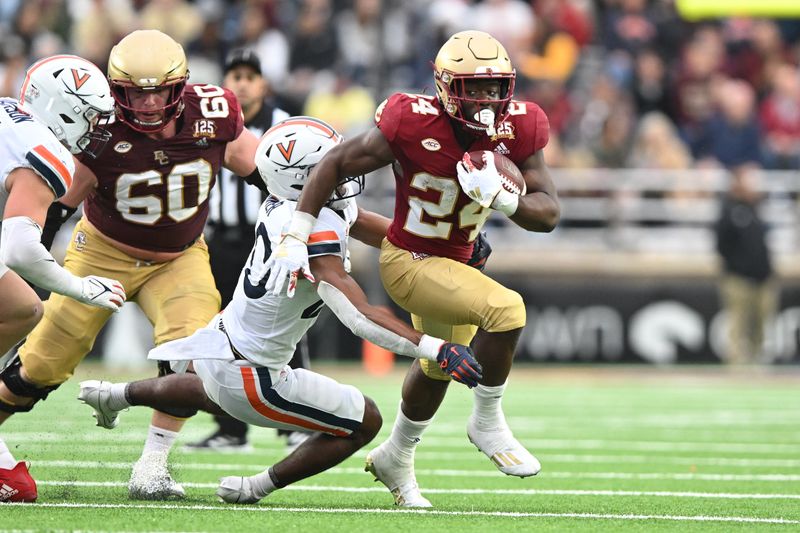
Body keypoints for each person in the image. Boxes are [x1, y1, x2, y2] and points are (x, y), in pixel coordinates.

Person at [77, 116, 482, 505]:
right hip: (255, 374)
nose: (344, 169)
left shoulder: (290, 204)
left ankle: (114, 395)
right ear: (304, 178)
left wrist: (443, 247)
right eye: (331, 166)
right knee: (366, 421)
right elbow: (357, 315)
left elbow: (380, 229)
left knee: (209, 391)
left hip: (222, 342)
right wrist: (436, 348)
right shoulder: (314, 229)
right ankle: (257, 486)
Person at [264, 30, 560, 507]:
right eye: (473, 88)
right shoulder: (409, 118)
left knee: (436, 366)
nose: (486, 100)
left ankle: (396, 454)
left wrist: (507, 201)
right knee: (508, 310)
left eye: (494, 87)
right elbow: (334, 163)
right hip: (409, 260)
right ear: (444, 87)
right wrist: (297, 233)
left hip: (458, 262)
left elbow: (548, 213)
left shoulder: (521, 125)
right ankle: (487, 422)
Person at [3, 29, 263, 501]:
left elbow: (257, 166)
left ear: (180, 85)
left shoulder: (213, 114)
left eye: (158, 90)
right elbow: (61, 205)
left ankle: (152, 467)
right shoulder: (96, 128)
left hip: (179, 257)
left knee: (195, 356)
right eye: (134, 93)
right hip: (102, 250)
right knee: (39, 365)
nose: (146, 104)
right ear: (115, 91)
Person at [0, 54, 127, 503]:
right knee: (24, 307)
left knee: (20, 306)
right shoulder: (47, 152)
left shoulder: (7, 111)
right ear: (64, 108)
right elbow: (19, 249)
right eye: (91, 117)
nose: (95, 130)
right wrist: (81, 287)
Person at [185, 48, 312, 453]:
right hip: (221, 239)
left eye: (249, 75)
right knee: (219, 327)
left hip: (271, 241)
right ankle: (229, 428)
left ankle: (296, 421)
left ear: (263, 84)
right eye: (234, 75)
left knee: (285, 328)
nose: (241, 82)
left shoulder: (283, 125)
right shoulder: (211, 124)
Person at [715, 165, 777, 364]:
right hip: (738, 278)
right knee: (737, 324)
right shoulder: (728, 209)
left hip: (763, 277)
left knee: (761, 325)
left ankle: (759, 364)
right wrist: (737, 267)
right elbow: (721, 245)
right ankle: (736, 368)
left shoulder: (757, 209)